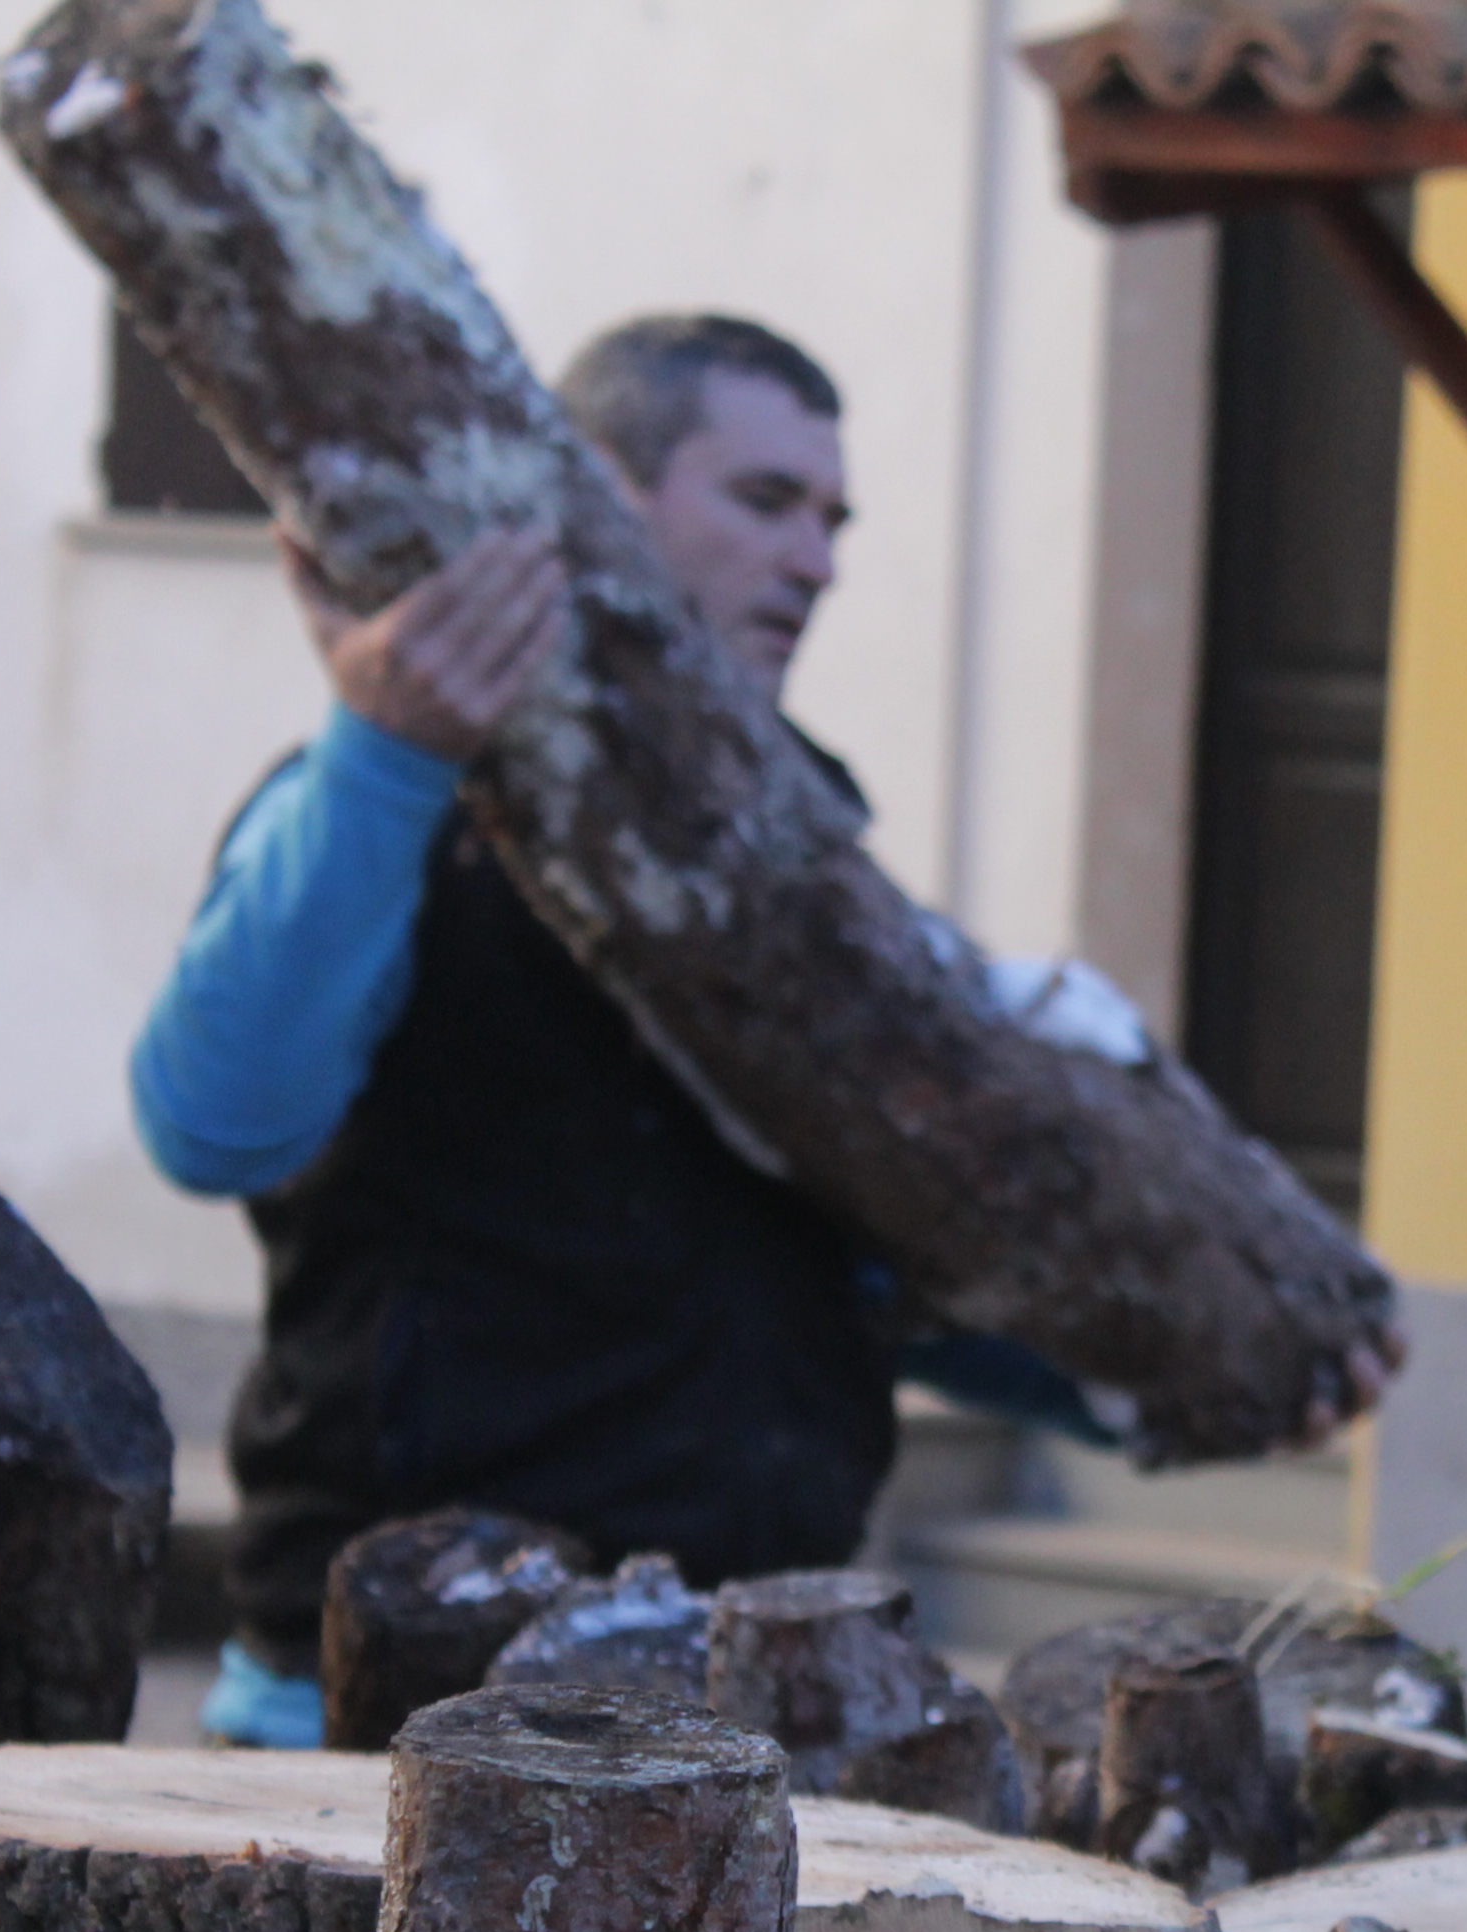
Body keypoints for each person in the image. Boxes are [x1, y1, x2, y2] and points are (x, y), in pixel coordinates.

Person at [134, 312, 1133, 1746]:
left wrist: (1146, 1372)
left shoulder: (813, 855)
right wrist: (388, 756)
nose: (820, 561)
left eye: (836, 518)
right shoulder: (389, 800)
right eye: (767, 500)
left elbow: (875, 1271)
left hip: (732, 1736)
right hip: (383, 1726)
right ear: (596, 494)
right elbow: (214, 1121)